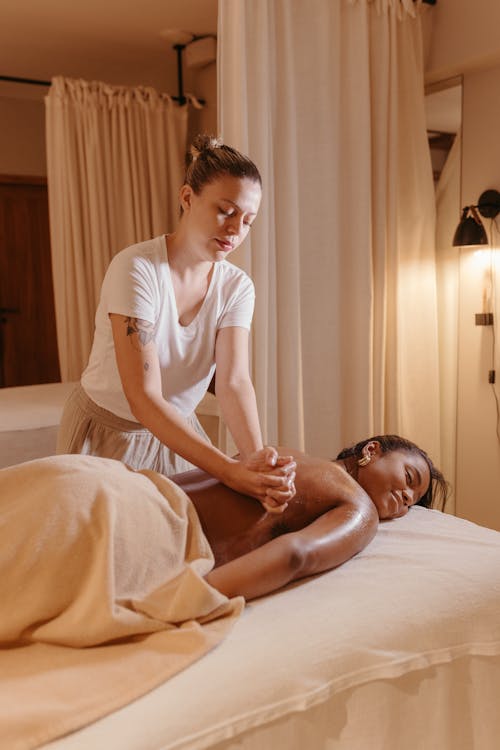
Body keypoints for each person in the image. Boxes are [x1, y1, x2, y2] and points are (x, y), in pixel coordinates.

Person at [57, 134, 294, 512]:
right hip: (108, 431)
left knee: (184, 548)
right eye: (226, 211)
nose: (236, 231)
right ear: (187, 198)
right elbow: (143, 397)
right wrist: (231, 471)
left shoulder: (237, 287)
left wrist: (256, 465)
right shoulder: (136, 269)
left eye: (248, 220)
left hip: (179, 434)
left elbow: (233, 382)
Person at [173, 434, 448, 601]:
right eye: (410, 478)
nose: (407, 498)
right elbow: (296, 555)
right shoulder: (359, 506)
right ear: (371, 450)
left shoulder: (284, 453)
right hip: (163, 532)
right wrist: (187, 600)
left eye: (411, 502)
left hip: (142, 489)